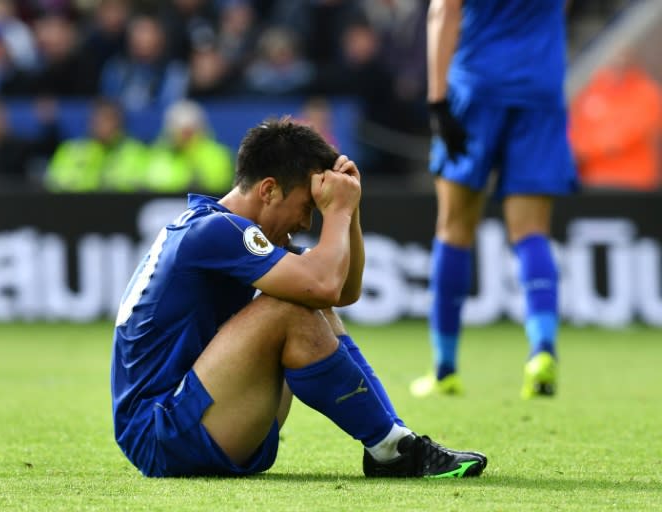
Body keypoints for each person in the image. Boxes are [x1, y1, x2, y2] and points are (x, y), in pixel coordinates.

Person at [110, 117, 487, 478]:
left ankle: (393, 444)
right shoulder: (213, 231)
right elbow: (323, 284)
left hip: (191, 421)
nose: (307, 223)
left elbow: (341, 293)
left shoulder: (220, 229)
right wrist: (336, 210)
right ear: (269, 190)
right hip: (161, 434)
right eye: (308, 207)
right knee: (288, 306)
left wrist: (349, 212)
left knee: (304, 295)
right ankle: (392, 450)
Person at [409, 0, 578, 399]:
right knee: (532, 230)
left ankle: (444, 368)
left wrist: (437, 100)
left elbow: (444, 11)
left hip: (478, 85)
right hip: (541, 86)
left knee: (454, 228)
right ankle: (541, 350)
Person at [569, 49, 662, 191]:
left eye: (623, 57)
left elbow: (622, 136)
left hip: (634, 182)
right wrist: (584, 148)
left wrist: (591, 148)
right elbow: (575, 131)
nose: (617, 63)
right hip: (594, 180)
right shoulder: (592, 91)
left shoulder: (646, 92)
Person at [45, 98, 147, 192]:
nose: (101, 125)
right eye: (97, 119)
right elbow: (55, 182)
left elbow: (139, 184)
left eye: (108, 119)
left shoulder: (136, 151)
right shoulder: (70, 150)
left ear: (120, 122)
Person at [142, 99, 233, 195]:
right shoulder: (156, 154)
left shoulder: (217, 155)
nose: (183, 135)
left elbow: (218, 186)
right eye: (178, 129)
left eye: (188, 130)